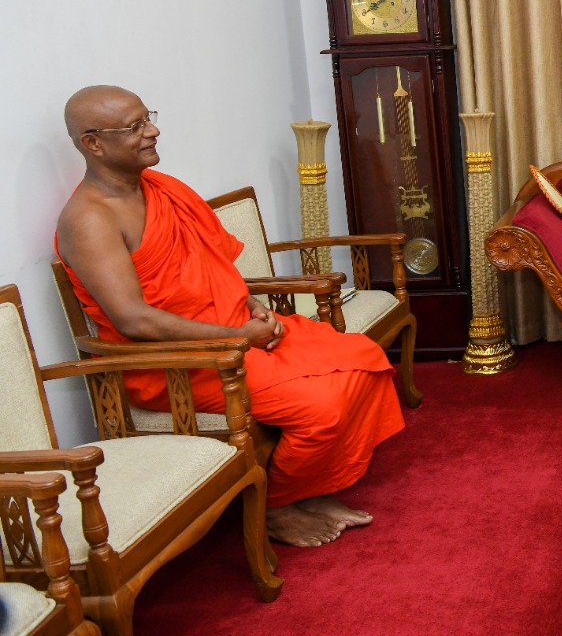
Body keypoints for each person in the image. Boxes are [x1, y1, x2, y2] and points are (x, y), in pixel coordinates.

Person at [55, 86, 405, 549]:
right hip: (180, 363)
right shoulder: (89, 219)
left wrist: (249, 303)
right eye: (135, 126)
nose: (153, 131)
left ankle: (311, 489)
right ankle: (276, 507)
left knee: (361, 358)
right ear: (93, 142)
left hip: (233, 334)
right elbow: (134, 320)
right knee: (321, 405)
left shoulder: (162, 189)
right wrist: (236, 336)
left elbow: (211, 266)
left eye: (148, 117)